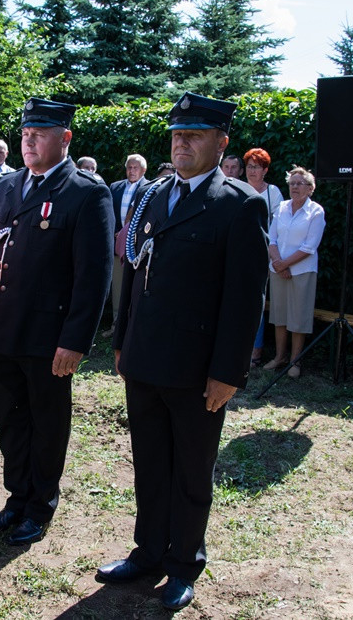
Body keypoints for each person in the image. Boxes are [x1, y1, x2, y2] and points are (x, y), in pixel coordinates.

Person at [99, 92, 268, 610]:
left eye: (193, 135)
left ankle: (182, 563)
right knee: (149, 464)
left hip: (196, 372)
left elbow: (244, 300)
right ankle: (148, 552)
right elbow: (135, 274)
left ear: (221, 142)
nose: (181, 143)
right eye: (177, 135)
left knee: (191, 472)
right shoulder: (152, 195)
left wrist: (227, 372)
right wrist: (123, 343)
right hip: (146, 360)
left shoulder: (239, 204)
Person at [0, 98, 113, 546]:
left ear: (64, 138)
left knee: (46, 424)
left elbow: (93, 276)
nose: (29, 141)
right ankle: (16, 498)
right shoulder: (4, 189)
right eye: (25, 133)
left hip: (48, 337)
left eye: (40, 134)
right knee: (9, 419)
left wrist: (76, 340)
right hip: (3, 328)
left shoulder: (86, 192)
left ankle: (40, 506)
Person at [263, 166, 325, 379]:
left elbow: (310, 246)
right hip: (278, 270)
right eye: (291, 183)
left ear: (310, 188)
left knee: (298, 318)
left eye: (299, 183)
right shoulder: (280, 208)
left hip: (302, 272)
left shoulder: (316, 211)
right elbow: (272, 239)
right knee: (279, 316)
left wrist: (286, 264)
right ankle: (279, 357)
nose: (295, 187)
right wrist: (278, 263)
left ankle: (295, 361)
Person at [242, 147, 284, 367]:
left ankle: (255, 352)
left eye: (256, 167)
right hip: (239, 253)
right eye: (249, 166)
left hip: (264, 255)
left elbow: (277, 227)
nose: (252, 171)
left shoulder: (273, 193)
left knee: (257, 301)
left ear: (265, 170)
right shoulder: (237, 188)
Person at [107, 154, 149, 327]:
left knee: (136, 283)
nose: (131, 171)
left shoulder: (150, 188)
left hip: (137, 245)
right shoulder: (115, 187)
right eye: (129, 167)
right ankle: (116, 324)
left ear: (144, 170)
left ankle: (132, 322)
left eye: (135, 167)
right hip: (116, 243)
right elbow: (108, 211)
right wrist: (116, 232)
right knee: (117, 283)